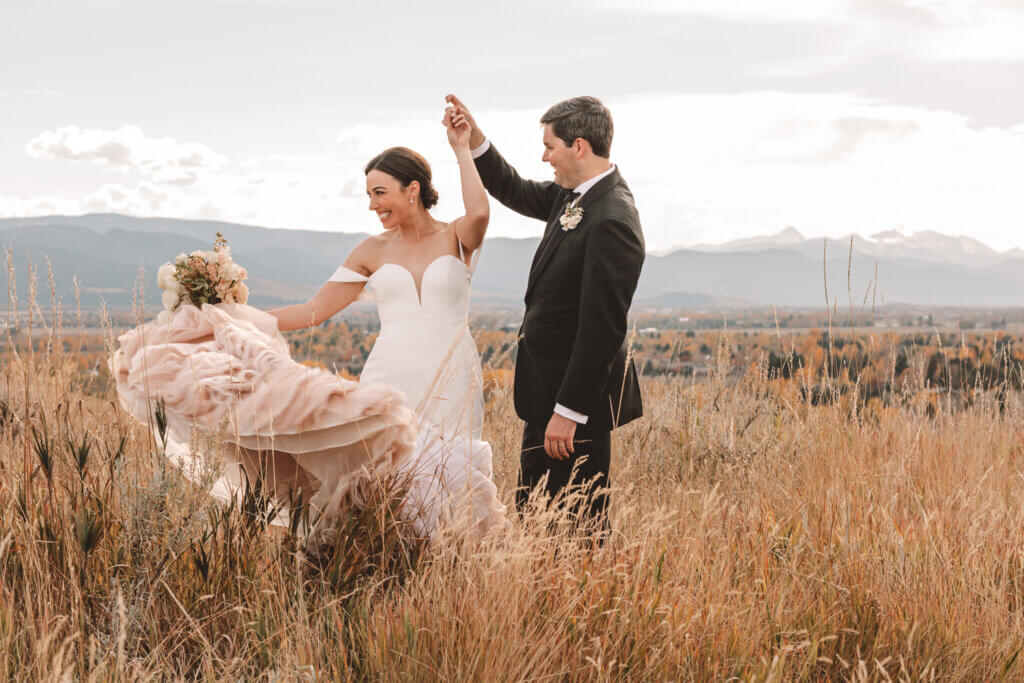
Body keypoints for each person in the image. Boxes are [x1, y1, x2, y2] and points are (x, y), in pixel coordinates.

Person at [112, 108, 505, 543]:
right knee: (389, 473)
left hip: (452, 371)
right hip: (391, 373)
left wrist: (461, 149)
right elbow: (315, 310)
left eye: (380, 192)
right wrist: (229, 317)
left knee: (447, 468)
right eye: (368, 195)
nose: (372, 204)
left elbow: (481, 211)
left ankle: (449, 557)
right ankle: (388, 558)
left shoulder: (457, 236)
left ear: (413, 189)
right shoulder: (370, 250)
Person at [445, 94, 645, 531]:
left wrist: (568, 413)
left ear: (579, 147)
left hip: (575, 406)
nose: (544, 156)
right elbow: (514, 188)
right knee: (538, 515)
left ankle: (579, 595)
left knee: (576, 524)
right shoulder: (574, 197)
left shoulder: (612, 218)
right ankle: (543, 595)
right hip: (547, 395)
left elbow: (602, 330)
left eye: (550, 145)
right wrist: (472, 139)